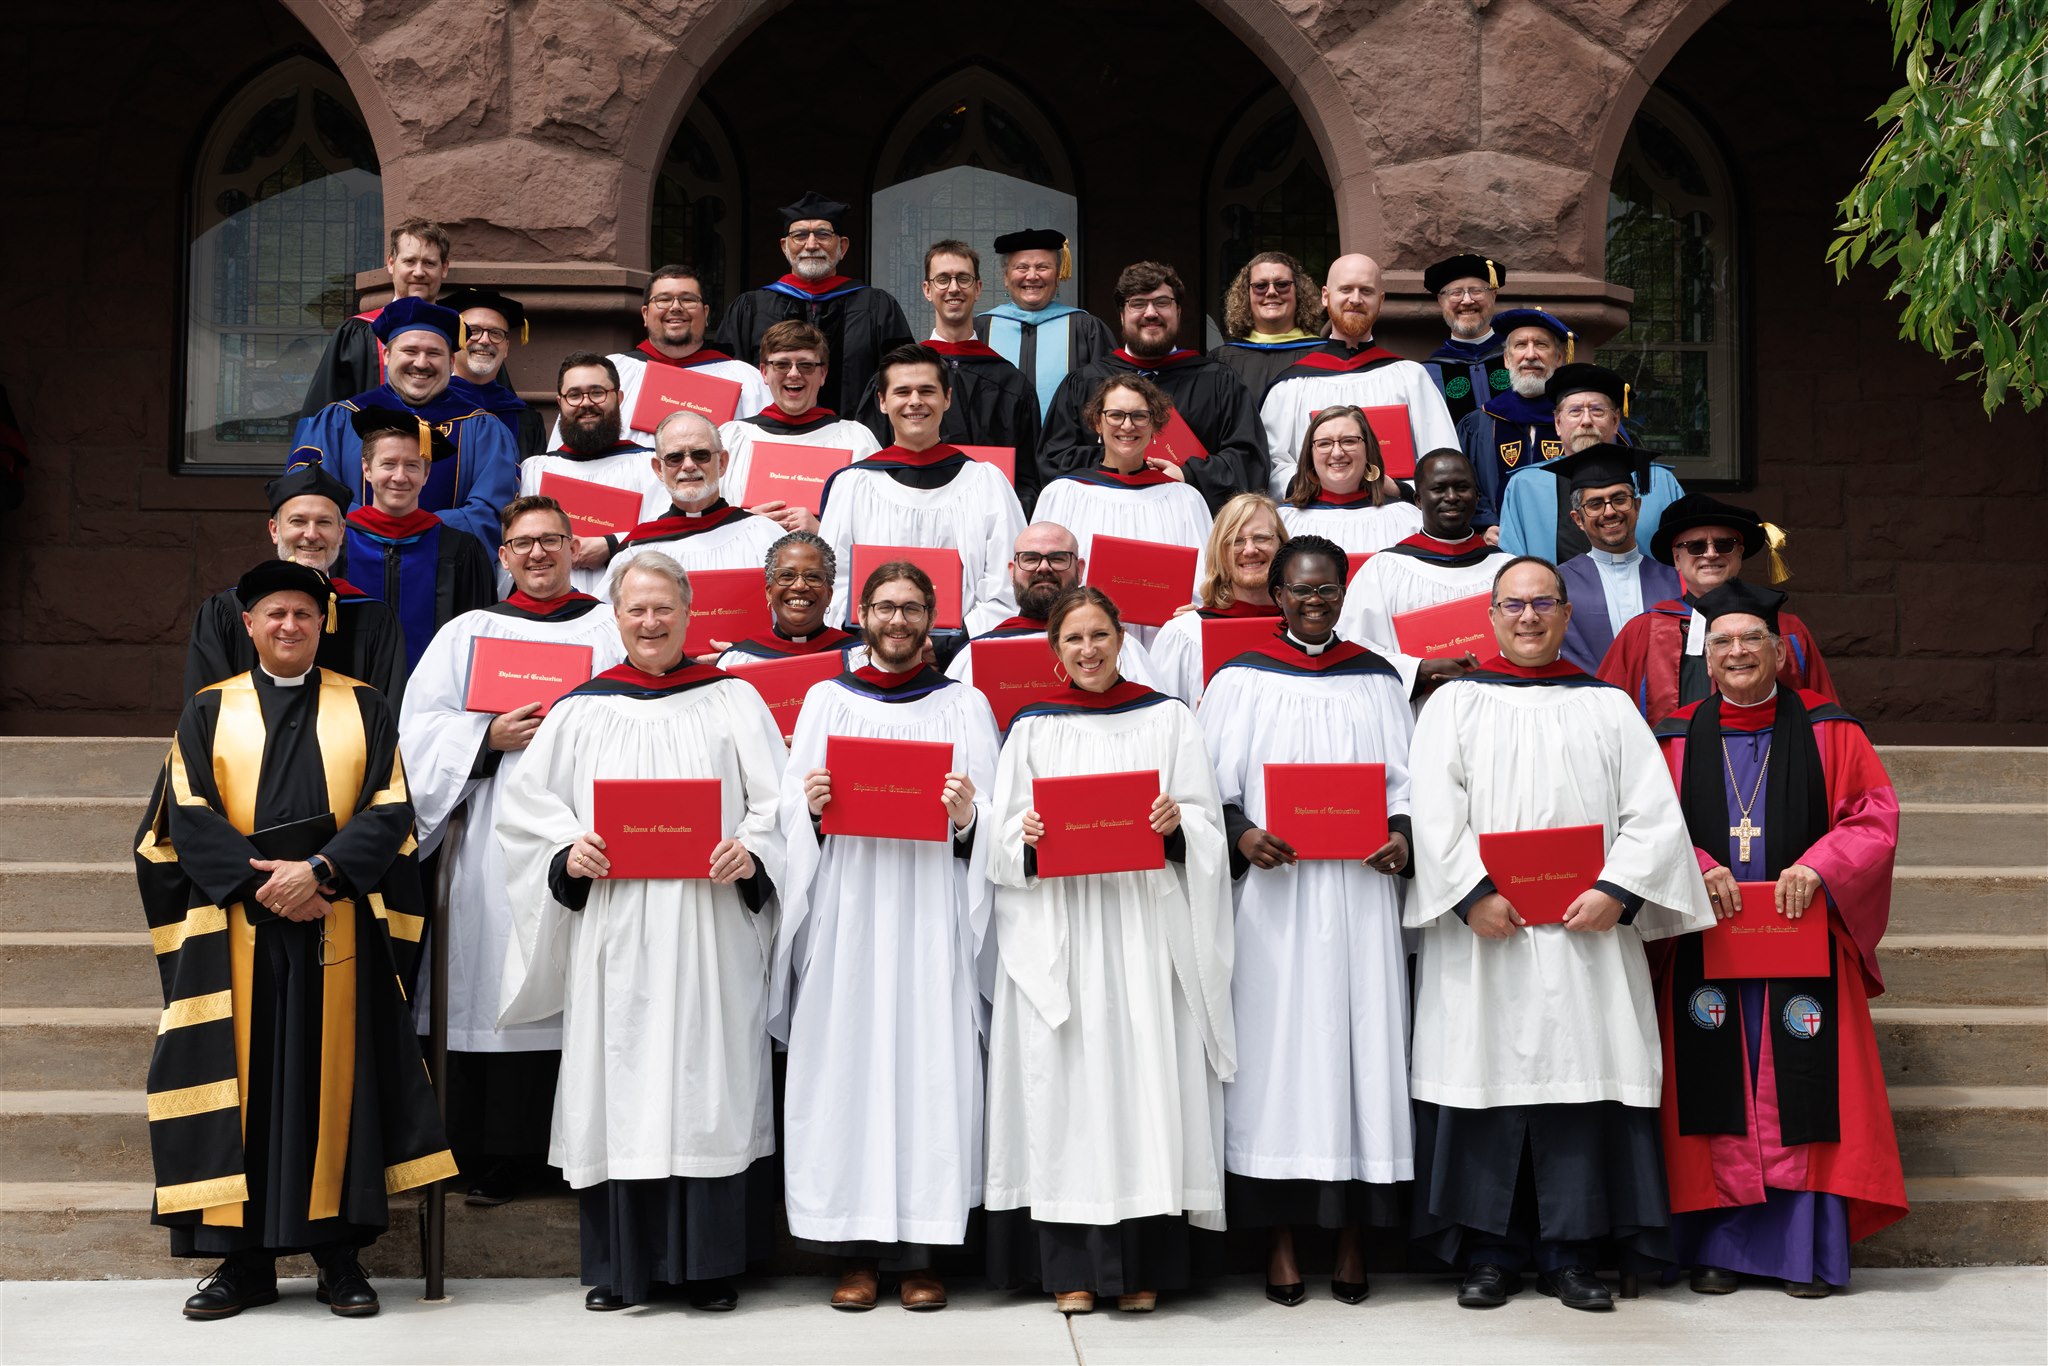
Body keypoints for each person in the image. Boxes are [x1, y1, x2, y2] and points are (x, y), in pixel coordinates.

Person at [136, 559, 455, 1321]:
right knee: (248, 1090)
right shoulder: (209, 710)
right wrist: (267, 885)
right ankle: (242, 1266)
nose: (288, 626)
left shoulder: (367, 706)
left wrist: (321, 873)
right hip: (238, 936)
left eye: (303, 615)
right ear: (248, 625)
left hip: (333, 928)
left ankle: (340, 1258)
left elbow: (389, 809)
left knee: (335, 1087)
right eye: (273, 614)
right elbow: (185, 814)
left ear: (323, 625)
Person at [1407, 556, 1715, 1313]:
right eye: (1513, 606)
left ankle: (1571, 1254)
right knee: (1487, 1084)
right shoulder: (1453, 704)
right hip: (1487, 933)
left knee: (1579, 1084)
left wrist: (1618, 891)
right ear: (1491, 615)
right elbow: (1432, 809)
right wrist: (1469, 895)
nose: (1529, 618)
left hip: (1585, 935)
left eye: (1543, 604)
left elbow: (1652, 814)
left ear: (1566, 614)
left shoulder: (1607, 707)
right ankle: (1488, 1253)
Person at [494, 551, 788, 1312]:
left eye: (664, 609)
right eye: (636, 610)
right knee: (621, 1081)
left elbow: (777, 807)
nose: (651, 622)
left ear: (688, 615)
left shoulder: (733, 702)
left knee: (706, 1081)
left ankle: (708, 1266)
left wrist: (751, 852)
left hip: (710, 924)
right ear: (615, 618)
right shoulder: (583, 709)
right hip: (618, 929)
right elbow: (528, 813)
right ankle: (624, 1267)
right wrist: (569, 851)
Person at [1650, 581, 1907, 1298]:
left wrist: (1821, 866)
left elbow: (1873, 818)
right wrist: (1696, 867)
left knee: (1801, 1091)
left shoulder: (1833, 731)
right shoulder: (1673, 736)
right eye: (1723, 642)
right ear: (1707, 655)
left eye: (1751, 640)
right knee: (1714, 1091)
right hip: (1710, 945)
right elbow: (1647, 824)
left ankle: (1803, 1253)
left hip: (1804, 948)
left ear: (1780, 650)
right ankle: (1717, 1251)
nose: (1738, 652)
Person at [984, 585, 1234, 1316]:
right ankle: (1072, 1268)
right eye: (1072, 640)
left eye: (1099, 634)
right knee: (1068, 1096)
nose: (1088, 650)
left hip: (1141, 929)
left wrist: (1175, 824)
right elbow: (1000, 836)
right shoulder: (1032, 727)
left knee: (1145, 1087)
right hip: (1064, 925)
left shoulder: (1167, 718)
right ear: (1054, 651)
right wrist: (1021, 840)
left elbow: (1206, 826)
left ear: (1122, 637)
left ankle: (1141, 1264)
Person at [770, 560, 1000, 1312]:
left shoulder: (964, 706)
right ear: (861, 614)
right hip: (851, 906)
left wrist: (968, 817)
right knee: (851, 1067)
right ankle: (856, 1250)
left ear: (933, 619)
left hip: (932, 904)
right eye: (885, 608)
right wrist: (808, 807)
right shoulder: (826, 701)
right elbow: (786, 818)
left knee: (929, 1064)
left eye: (911, 609)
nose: (897, 622)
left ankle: (923, 1253)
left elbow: (994, 820)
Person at [1199, 534, 1415, 1308]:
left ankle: (1355, 1240)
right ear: (1278, 596)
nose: (1314, 602)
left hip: (1359, 900)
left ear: (1344, 592)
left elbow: (1406, 782)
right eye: (1299, 591)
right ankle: (1281, 1242)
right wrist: (1242, 836)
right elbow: (1209, 788)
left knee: (1362, 1057)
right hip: (1276, 904)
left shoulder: (1378, 679)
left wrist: (1402, 833)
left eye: (1326, 590)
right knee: (1277, 1065)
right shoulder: (1241, 680)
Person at [396, 496, 625, 1206]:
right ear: (503, 555)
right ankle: (490, 1153)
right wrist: (484, 740)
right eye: (522, 543)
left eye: (551, 541)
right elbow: (418, 729)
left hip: (586, 830)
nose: (537, 554)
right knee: (489, 974)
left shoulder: (611, 630)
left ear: (571, 548)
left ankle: (573, 1151)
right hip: (490, 828)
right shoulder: (470, 632)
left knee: (578, 979)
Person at [816, 344, 1026, 638]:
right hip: (870, 654)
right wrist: (883, 643)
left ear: (947, 398)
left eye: (927, 391)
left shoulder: (987, 482)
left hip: (963, 657)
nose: (915, 401)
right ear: (882, 402)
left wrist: (948, 645)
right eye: (902, 392)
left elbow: (1006, 586)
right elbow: (834, 582)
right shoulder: (853, 484)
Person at [288, 297, 519, 548]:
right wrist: (377, 528)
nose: (421, 363)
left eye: (434, 353)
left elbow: (492, 513)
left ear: (451, 362)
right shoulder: (338, 421)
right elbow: (311, 499)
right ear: (387, 355)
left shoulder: (485, 430)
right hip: (352, 568)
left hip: (446, 575)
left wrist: (412, 529)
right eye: (410, 351)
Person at [1039, 261, 1265, 514]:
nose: (1150, 313)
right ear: (1122, 314)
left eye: (1162, 303)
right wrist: (1118, 464)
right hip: (1103, 519)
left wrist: (1188, 473)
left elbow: (1249, 462)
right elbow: (1053, 459)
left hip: (1187, 521)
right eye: (1138, 303)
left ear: (1178, 310)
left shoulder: (1218, 381)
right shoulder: (1085, 383)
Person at [1599, 495, 1836, 725]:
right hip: (1669, 763)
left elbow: (1826, 721)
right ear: (1677, 558)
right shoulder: (1642, 631)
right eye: (1695, 546)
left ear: (1740, 554)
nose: (1711, 554)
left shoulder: (1787, 630)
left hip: (1767, 762)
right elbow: (1606, 719)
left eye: (1724, 544)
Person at [183, 464, 405, 705]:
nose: (311, 534)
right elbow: (205, 714)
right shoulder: (227, 612)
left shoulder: (372, 617)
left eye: (324, 523)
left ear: (341, 533)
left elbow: (386, 717)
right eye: (298, 521)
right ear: (275, 530)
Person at [857, 240, 1040, 508]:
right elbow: (872, 458)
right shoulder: (896, 377)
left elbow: (1027, 477)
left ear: (977, 288)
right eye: (942, 279)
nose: (953, 288)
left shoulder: (1010, 382)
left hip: (987, 521)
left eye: (963, 279)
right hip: (905, 514)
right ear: (927, 290)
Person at [1030, 375, 1213, 641]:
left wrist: (1196, 610)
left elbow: (1206, 583)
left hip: (1163, 642)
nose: (1127, 426)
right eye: (1115, 415)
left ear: (1154, 424)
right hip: (1084, 645)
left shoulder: (1185, 499)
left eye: (1139, 416)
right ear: (1097, 422)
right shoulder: (1063, 494)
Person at [1261, 254, 1459, 497]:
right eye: (1346, 289)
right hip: (1313, 519)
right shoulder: (1291, 385)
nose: (1355, 299)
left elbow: (1442, 458)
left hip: (1395, 518)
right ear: (1326, 296)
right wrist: (1320, 482)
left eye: (1366, 291)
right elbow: (1272, 464)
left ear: (1381, 299)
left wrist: (1400, 489)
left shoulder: (1411, 378)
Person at [716, 192, 913, 415]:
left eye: (823, 234)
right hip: (767, 439)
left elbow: (902, 380)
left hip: (856, 440)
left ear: (843, 246)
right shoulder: (750, 309)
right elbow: (728, 381)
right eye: (799, 235)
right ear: (784, 246)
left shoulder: (876, 307)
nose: (811, 245)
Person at [1335, 449, 1508, 698]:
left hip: (1497, 711)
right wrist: (1418, 670)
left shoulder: (1507, 570)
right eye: (1439, 489)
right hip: (1417, 717)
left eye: (1461, 487)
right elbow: (1351, 648)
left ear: (1477, 496)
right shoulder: (1383, 570)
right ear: (1417, 500)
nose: (1451, 497)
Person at [339, 408, 497, 670]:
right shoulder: (339, 544)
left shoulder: (460, 550)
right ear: (367, 469)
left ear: (426, 474)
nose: (400, 477)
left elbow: (478, 640)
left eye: (412, 466)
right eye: (388, 464)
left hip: (435, 698)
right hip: (350, 698)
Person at [560, 265, 770, 449]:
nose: (676, 307)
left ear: (706, 314)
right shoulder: (610, 372)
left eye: (688, 299)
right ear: (644, 314)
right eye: (663, 300)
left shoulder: (745, 379)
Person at [1496, 362, 1684, 562]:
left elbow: (1683, 556)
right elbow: (1513, 565)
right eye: (1575, 411)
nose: (1586, 421)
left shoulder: (1660, 482)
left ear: (1615, 421)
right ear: (1558, 423)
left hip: (1647, 592)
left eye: (1597, 411)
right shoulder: (1525, 486)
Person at [947, 522, 1162, 694]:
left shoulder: (1119, 647)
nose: (1043, 568)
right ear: (1011, 572)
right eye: (1030, 559)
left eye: (1058, 558)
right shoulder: (977, 654)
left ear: (1080, 570)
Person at [517, 352, 665, 596]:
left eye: (597, 392)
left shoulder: (650, 467)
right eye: (574, 395)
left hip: (630, 606)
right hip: (550, 609)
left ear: (618, 398)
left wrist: (612, 544)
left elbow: (669, 534)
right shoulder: (535, 470)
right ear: (560, 402)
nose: (586, 403)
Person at [604, 412, 785, 600]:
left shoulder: (763, 535)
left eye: (701, 455)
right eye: (675, 458)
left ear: (722, 463)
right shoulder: (635, 550)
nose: (689, 465)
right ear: (659, 469)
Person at [1550, 444, 1683, 672]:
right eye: (1595, 504)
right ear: (1578, 520)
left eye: (1620, 499)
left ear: (1637, 507)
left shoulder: (1675, 580)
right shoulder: (1557, 585)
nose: (1610, 511)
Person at [299, 218, 451, 416]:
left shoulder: (465, 334)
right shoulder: (358, 333)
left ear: (444, 268)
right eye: (409, 261)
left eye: (429, 263)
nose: (419, 272)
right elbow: (325, 414)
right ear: (391, 263)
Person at [1148, 492, 1286, 706]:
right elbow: (1163, 726)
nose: (1249, 550)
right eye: (1235, 541)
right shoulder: (1185, 635)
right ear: (1219, 553)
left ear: (1282, 545)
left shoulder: (1306, 631)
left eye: (1261, 537)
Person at [974, 228, 1114, 421]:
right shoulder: (980, 329)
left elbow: (1109, 397)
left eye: (1042, 267)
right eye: (1021, 267)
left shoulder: (1085, 329)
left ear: (1057, 276)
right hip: (998, 448)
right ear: (1006, 277)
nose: (1032, 276)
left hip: (1067, 449)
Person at [1453, 308, 1573, 529]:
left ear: (1558, 358)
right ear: (1507, 359)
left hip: (1566, 548)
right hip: (1496, 547)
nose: (1530, 355)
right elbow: (1465, 485)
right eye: (1520, 345)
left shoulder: (1578, 420)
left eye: (1541, 345)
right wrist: (1486, 527)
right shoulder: (1480, 423)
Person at [1277, 404, 1423, 559]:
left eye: (1349, 441)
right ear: (1310, 455)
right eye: (1324, 443)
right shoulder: (1282, 522)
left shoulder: (1405, 517)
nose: (1338, 453)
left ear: (1368, 450)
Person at [715, 531, 857, 666]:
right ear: (769, 593)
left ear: (829, 595)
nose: (800, 586)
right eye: (787, 575)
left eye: (813, 576)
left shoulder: (857, 656)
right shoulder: (738, 659)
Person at [442, 285, 547, 459]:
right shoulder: (429, 407)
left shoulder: (525, 418)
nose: (484, 340)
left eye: (496, 333)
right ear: (454, 340)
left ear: (506, 348)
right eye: (473, 331)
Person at [1208, 252, 1326, 396]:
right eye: (1260, 286)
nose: (1271, 292)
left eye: (1282, 284)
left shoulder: (1323, 355)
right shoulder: (1222, 360)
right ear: (1246, 294)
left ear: (1299, 292)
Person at [1420, 254, 1508, 426]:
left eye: (1476, 291)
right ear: (1441, 301)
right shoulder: (1429, 373)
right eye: (1456, 293)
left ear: (1494, 295)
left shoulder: (1519, 358)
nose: (1467, 300)